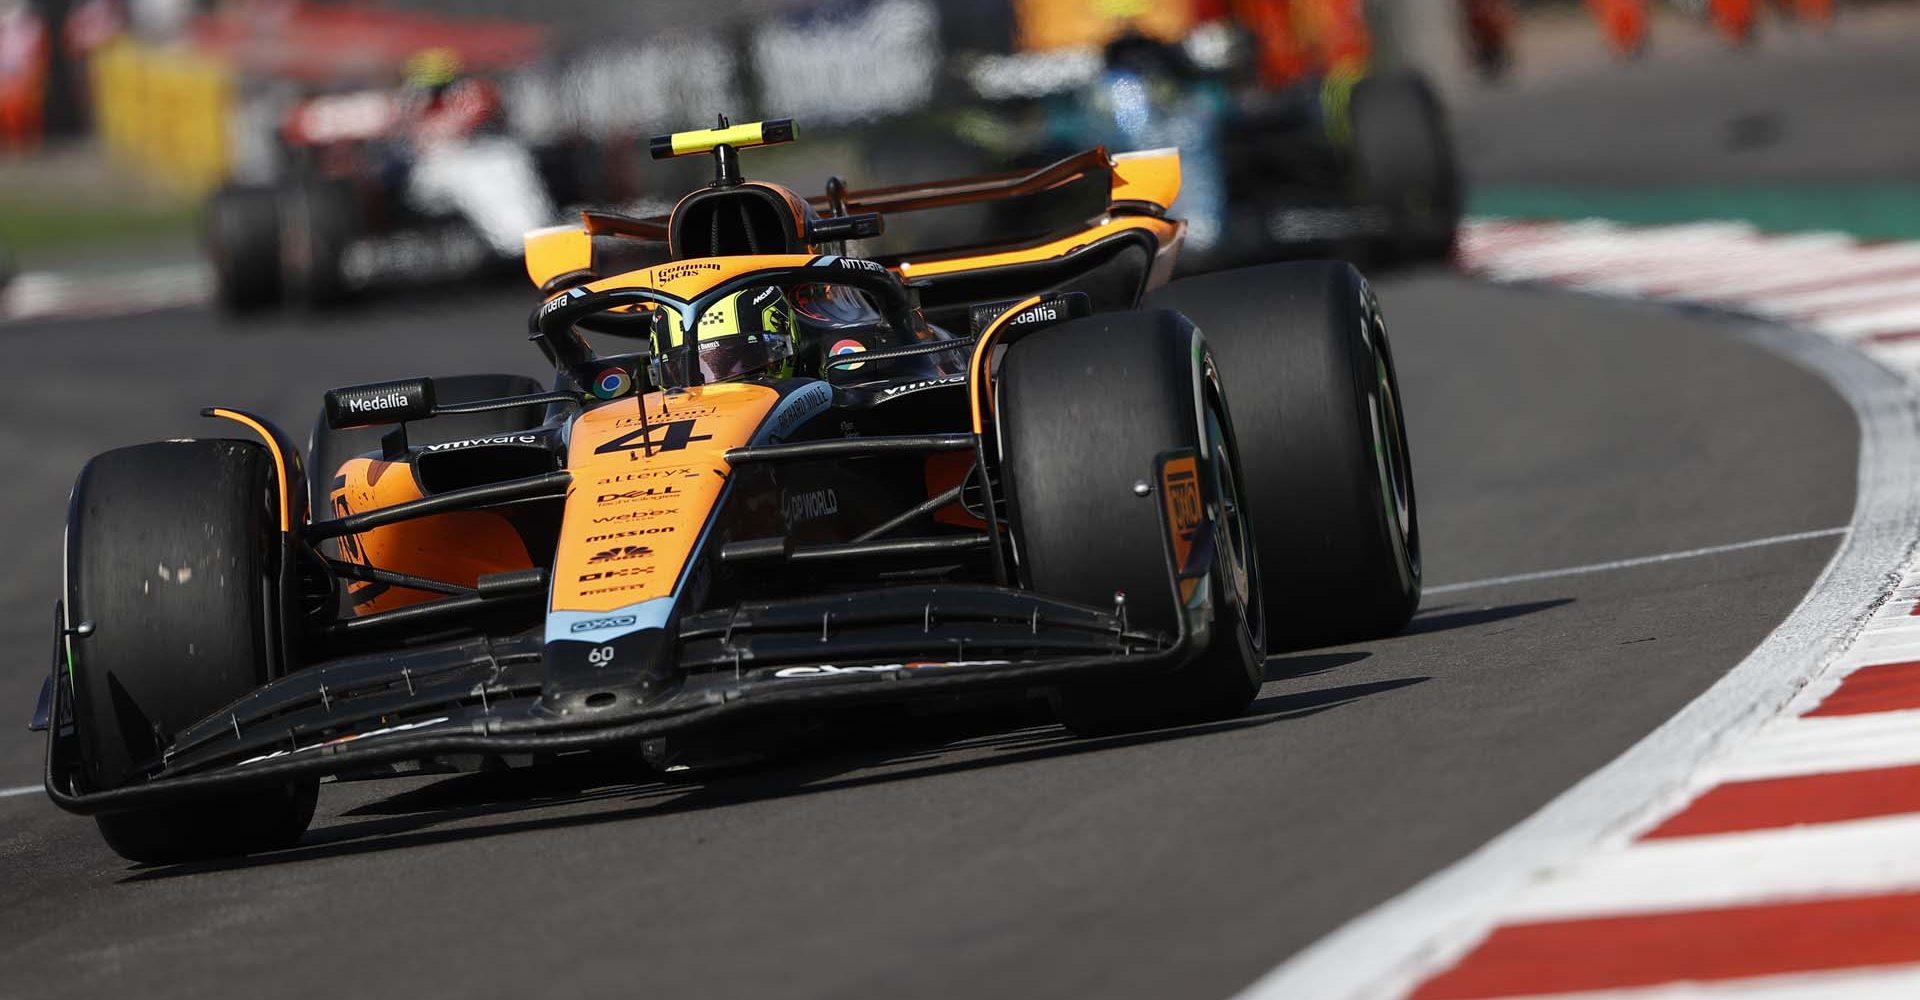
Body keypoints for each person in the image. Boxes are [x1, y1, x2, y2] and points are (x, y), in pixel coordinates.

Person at [0, 0, 48, 152]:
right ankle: (11, 141)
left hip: (27, 71)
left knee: (29, 108)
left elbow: (40, 52)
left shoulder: (33, 26)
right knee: (8, 109)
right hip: (7, 72)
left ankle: (30, 142)